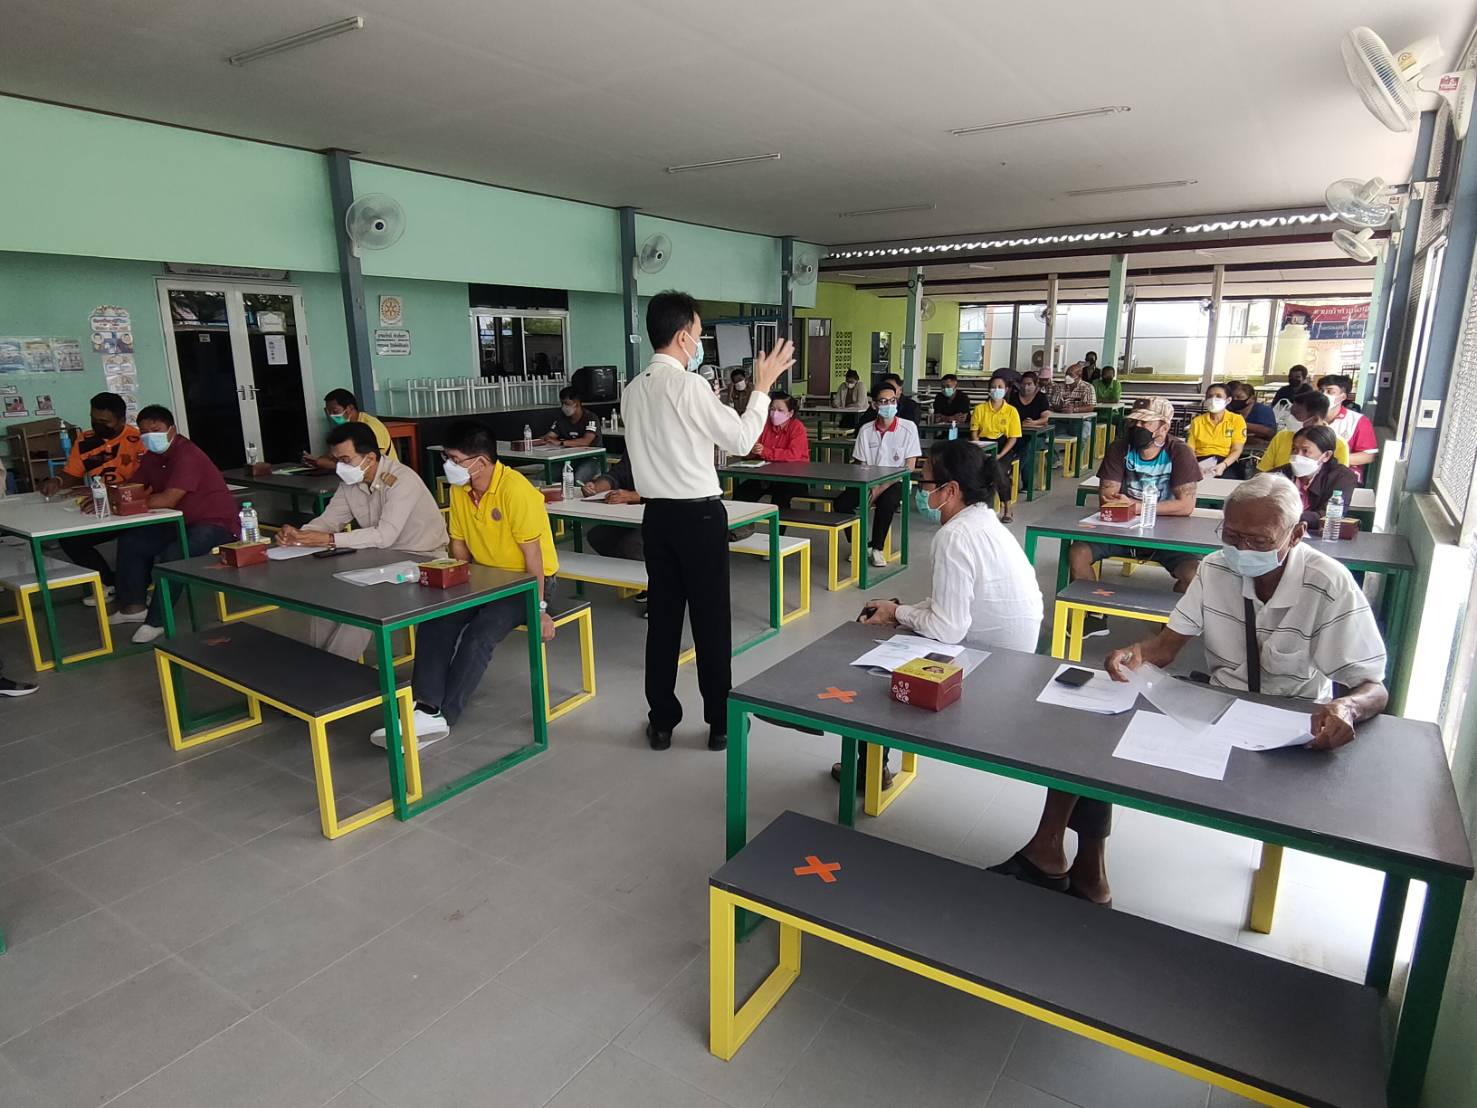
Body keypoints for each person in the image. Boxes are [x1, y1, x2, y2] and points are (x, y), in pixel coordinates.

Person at [992, 474, 1388, 905]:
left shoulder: (1328, 583)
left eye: (1258, 540)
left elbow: (1372, 686)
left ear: (1296, 534)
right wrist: (1134, 653)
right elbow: (1165, 648)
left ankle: (1061, 862)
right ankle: (1067, 858)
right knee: (1093, 726)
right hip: (1215, 707)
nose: (1242, 550)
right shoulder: (1216, 568)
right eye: (1231, 535)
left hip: (1289, 731)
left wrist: (1347, 708)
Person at [622, 291, 793, 752]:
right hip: (698, 515)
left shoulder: (633, 390)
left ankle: (661, 722)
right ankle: (720, 722)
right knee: (710, 620)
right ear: (683, 337)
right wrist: (762, 388)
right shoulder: (689, 386)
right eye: (699, 334)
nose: (699, 343)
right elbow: (740, 439)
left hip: (656, 516)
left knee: (663, 621)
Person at [844, 441, 1043, 790]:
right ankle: (871, 764)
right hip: (1015, 656)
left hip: (988, 666)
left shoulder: (954, 536)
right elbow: (955, 606)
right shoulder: (985, 521)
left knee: (876, 663)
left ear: (950, 490)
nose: (920, 492)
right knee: (894, 625)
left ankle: (869, 770)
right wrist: (899, 612)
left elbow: (948, 628)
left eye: (924, 482)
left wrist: (898, 613)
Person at [372, 423, 558, 748]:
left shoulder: (516, 491)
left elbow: (534, 558)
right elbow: (459, 544)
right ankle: (425, 707)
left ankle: (444, 716)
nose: (449, 465)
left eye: (455, 459)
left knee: (479, 635)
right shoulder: (460, 489)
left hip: (525, 582)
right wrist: (458, 586)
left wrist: (539, 608)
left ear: (480, 462)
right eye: (448, 458)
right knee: (436, 620)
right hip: (484, 577)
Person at [276, 421, 449, 661]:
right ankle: (319, 667)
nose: (340, 467)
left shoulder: (401, 480)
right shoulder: (351, 482)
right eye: (337, 460)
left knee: (364, 606)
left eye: (345, 460)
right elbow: (329, 521)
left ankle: (333, 675)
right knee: (324, 597)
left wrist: (329, 539)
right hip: (380, 559)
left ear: (369, 458)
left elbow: (384, 536)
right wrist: (300, 534)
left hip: (422, 560)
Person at [1070, 397, 1201, 638]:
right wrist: (1132, 507)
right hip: (1121, 530)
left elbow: (1185, 505)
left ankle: (1171, 625)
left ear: (1163, 427)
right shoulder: (1120, 448)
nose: (1137, 428)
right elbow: (1107, 497)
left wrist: (1136, 506)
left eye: (1145, 423)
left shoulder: (1180, 452)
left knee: (1193, 575)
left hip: (1168, 535)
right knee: (1078, 553)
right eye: (1134, 422)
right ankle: (1094, 615)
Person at [111, 406, 241, 645]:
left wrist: (129, 503)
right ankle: (133, 606)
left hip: (215, 523)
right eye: (144, 432)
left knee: (174, 553)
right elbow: (133, 487)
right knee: (133, 541)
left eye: (156, 430)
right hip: (178, 520)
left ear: (171, 429)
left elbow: (168, 499)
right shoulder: (151, 457)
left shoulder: (187, 455)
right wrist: (109, 496)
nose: (150, 436)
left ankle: (157, 621)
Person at [43, 392, 144, 606]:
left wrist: (109, 491)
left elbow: (144, 481)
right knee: (71, 539)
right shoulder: (85, 440)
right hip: (102, 508)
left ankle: (135, 587)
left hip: (134, 508)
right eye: (93, 419)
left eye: (104, 421)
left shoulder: (138, 441)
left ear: (121, 420)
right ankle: (108, 584)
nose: (97, 425)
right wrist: (58, 481)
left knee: (133, 541)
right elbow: (73, 473)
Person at [837, 382, 921, 569]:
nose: (889, 405)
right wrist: (869, 486)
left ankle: (877, 548)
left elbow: (909, 466)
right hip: (868, 480)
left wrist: (880, 487)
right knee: (842, 503)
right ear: (874, 405)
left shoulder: (908, 428)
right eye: (883, 401)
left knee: (887, 502)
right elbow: (859, 463)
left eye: (892, 401)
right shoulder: (866, 430)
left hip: (896, 481)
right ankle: (860, 544)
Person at [735, 392, 810, 513]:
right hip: (766, 476)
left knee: (780, 499)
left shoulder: (797, 428)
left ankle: (779, 526)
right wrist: (752, 450)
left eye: (780, 410)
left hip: (792, 478)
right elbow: (751, 448)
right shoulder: (765, 425)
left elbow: (793, 454)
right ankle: (740, 524)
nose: (775, 413)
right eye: (772, 409)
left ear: (790, 413)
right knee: (741, 493)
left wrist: (765, 451)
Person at [1277, 425, 1358, 528]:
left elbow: (1329, 516)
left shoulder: (1342, 477)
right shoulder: (1280, 474)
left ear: (1326, 455)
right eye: (1294, 449)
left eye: (1305, 451)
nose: (1297, 456)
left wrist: (1287, 516)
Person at [968, 372, 1022, 522]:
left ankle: (1007, 508)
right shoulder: (979, 409)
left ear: (1006, 390)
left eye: (1000, 387)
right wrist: (980, 449)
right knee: (972, 469)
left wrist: (1000, 454)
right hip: (983, 445)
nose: (996, 390)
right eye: (993, 387)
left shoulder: (1011, 411)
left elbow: (1013, 438)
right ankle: (977, 507)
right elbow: (974, 433)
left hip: (1003, 448)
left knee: (997, 468)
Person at [1257, 391, 1351, 473]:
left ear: (1315, 419)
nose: (1289, 418)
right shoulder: (1282, 436)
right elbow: (1263, 471)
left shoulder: (1338, 444)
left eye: (1296, 415)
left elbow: (1339, 479)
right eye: (1290, 413)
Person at [303, 389, 395, 471]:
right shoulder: (347, 427)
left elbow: (363, 462)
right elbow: (333, 454)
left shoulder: (371, 427)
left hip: (384, 473)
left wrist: (324, 464)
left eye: (335, 411)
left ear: (349, 408)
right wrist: (316, 460)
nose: (331, 416)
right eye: (328, 412)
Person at [580, 456, 645, 566]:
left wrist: (631, 496)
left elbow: (672, 492)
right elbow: (616, 475)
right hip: (633, 515)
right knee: (598, 536)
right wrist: (596, 487)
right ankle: (628, 570)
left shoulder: (671, 452)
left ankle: (649, 574)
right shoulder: (636, 449)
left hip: (665, 517)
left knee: (632, 544)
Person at [1318, 374, 1378, 477]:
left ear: (1343, 397)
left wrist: (1334, 460)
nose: (1323, 395)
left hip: (1343, 474)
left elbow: (1369, 455)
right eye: (1321, 391)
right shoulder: (1310, 417)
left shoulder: (1358, 421)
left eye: (1330, 391)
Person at [542, 386, 603, 482]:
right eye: (562, 403)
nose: (563, 407)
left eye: (567, 404)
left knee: (577, 479)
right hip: (568, 459)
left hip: (591, 459)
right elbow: (549, 436)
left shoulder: (590, 418)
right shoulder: (562, 419)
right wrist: (549, 440)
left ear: (577, 404)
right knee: (543, 477)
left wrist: (561, 443)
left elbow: (586, 442)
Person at [1185, 383, 1246, 478]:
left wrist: (1223, 465)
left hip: (1226, 462)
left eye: (1218, 396)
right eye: (1210, 396)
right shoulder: (1197, 421)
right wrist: (1195, 466)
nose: (1213, 399)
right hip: (1199, 461)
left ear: (1228, 400)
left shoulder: (1236, 420)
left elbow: (1237, 449)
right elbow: (1190, 449)